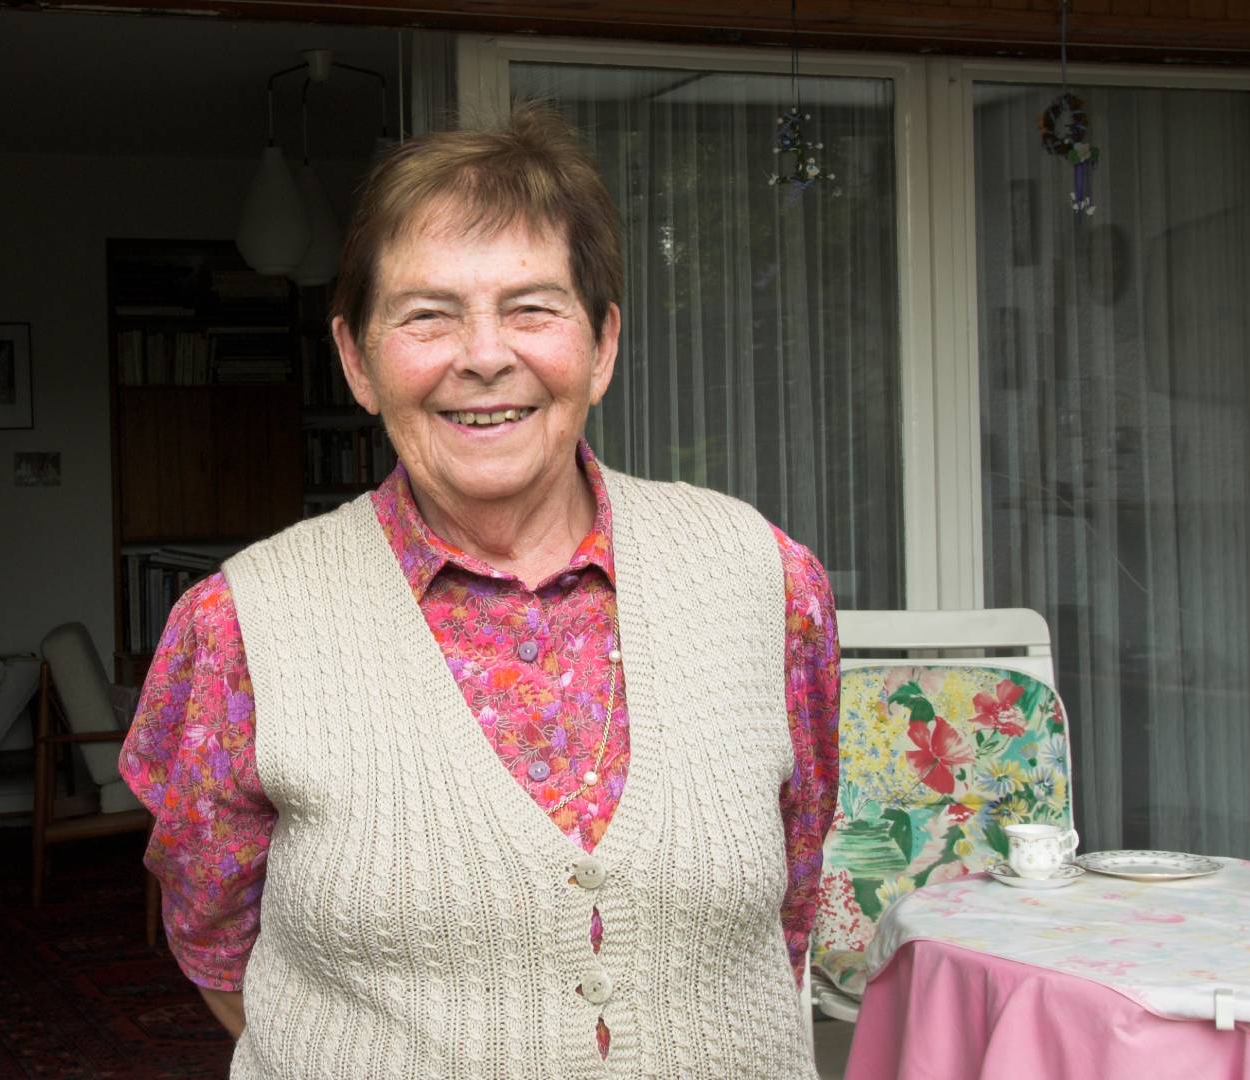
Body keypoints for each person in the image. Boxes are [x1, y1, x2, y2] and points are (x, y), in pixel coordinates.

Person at [120, 103, 838, 1078]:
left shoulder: (769, 583)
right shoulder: (242, 626)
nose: (484, 355)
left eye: (532, 308)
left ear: (603, 346)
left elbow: (794, 893)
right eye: (427, 315)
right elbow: (211, 934)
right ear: (357, 360)